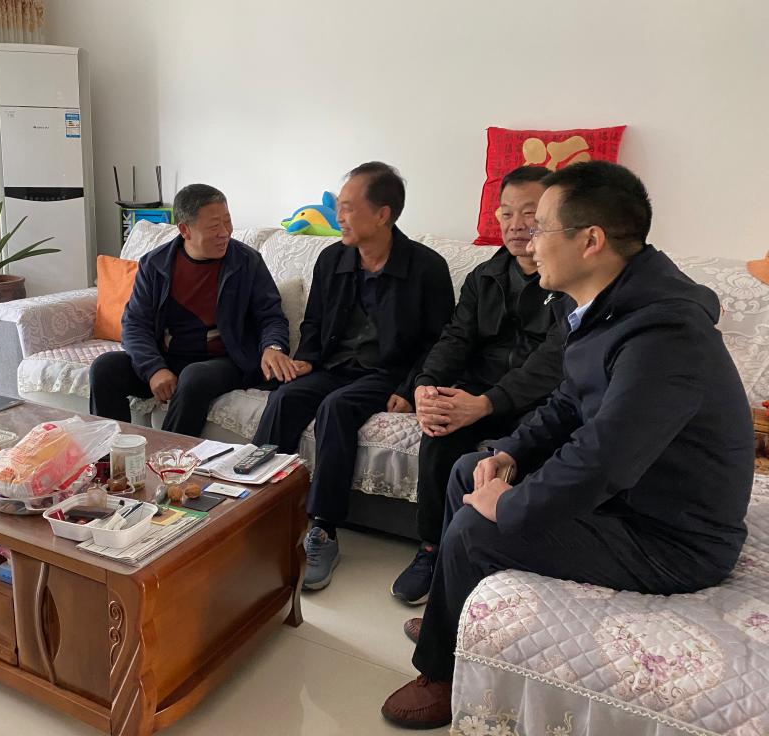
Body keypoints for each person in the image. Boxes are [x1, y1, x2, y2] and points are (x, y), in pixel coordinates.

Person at [381, 161, 754, 730]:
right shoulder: (603, 305)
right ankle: (454, 618)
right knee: (469, 468)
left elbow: (603, 459)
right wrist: (508, 453)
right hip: (628, 499)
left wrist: (511, 505)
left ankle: (441, 672)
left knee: (479, 526)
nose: (528, 241)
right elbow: (566, 402)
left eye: (541, 227)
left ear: (590, 240)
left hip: (671, 536)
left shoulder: (664, 334)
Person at [252, 162, 455, 591]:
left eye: (347, 207)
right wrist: (306, 359)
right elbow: (313, 322)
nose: (339, 216)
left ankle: (324, 529)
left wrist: (410, 387)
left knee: (337, 408)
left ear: (382, 214)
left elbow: (438, 342)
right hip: (334, 365)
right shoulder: (332, 258)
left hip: (388, 372)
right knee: (285, 398)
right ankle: (256, 510)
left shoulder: (427, 268)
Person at [390, 166, 565, 606]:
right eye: (506, 213)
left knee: (532, 445)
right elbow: (456, 338)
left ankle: (498, 560)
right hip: (479, 391)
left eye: (530, 212)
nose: (516, 224)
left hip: (537, 401)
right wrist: (427, 385)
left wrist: (487, 403)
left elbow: (552, 363)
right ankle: (432, 549)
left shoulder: (567, 280)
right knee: (439, 429)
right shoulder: (485, 276)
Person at [89, 183, 292, 437]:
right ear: (185, 230)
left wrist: (273, 347)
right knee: (105, 368)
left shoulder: (246, 262)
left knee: (194, 376)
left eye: (227, 221)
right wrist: (154, 368)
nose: (224, 233)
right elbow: (135, 324)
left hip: (224, 361)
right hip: (169, 357)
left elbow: (271, 316)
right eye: (214, 226)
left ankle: (168, 456)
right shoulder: (155, 264)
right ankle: (113, 455)